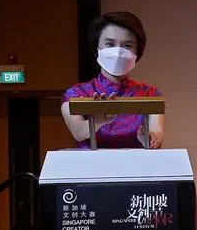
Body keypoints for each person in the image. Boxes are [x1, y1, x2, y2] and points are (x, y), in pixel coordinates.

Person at [61, 11, 165, 149]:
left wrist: (149, 139)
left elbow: (157, 133)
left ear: (137, 52)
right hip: (90, 163)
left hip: (136, 162)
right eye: (110, 44)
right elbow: (78, 132)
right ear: (97, 48)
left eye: (127, 46)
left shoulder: (150, 94)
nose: (118, 52)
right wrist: (97, 122)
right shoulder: (76, 93)